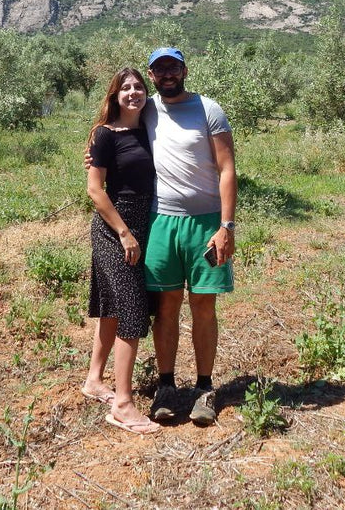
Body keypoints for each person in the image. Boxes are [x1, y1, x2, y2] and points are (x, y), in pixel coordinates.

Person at [143, 47, 237, 427]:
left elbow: (227, 168)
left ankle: (203, 388)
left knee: (202, 306)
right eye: (160, 68)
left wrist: (227, 227)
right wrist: (91, 153)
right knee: (165, 308)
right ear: (152, 75)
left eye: (173, 67)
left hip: (206, 223)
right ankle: (166, 387)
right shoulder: (145, 108)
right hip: (161, 222)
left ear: (184, 70)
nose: (167, 74)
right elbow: (109, 128)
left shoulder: (209, 109)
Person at [82, 67, 161, 435]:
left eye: (138, 87)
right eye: (125, 88)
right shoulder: (104, 134)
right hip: (116, 225)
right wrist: (125, 233)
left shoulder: (151, 128)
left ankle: (95, 380)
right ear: (114, 95)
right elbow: (96, 190)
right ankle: (123, 404)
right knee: (131, 307)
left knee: (113, 305)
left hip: (146, 220)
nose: (133, 92)